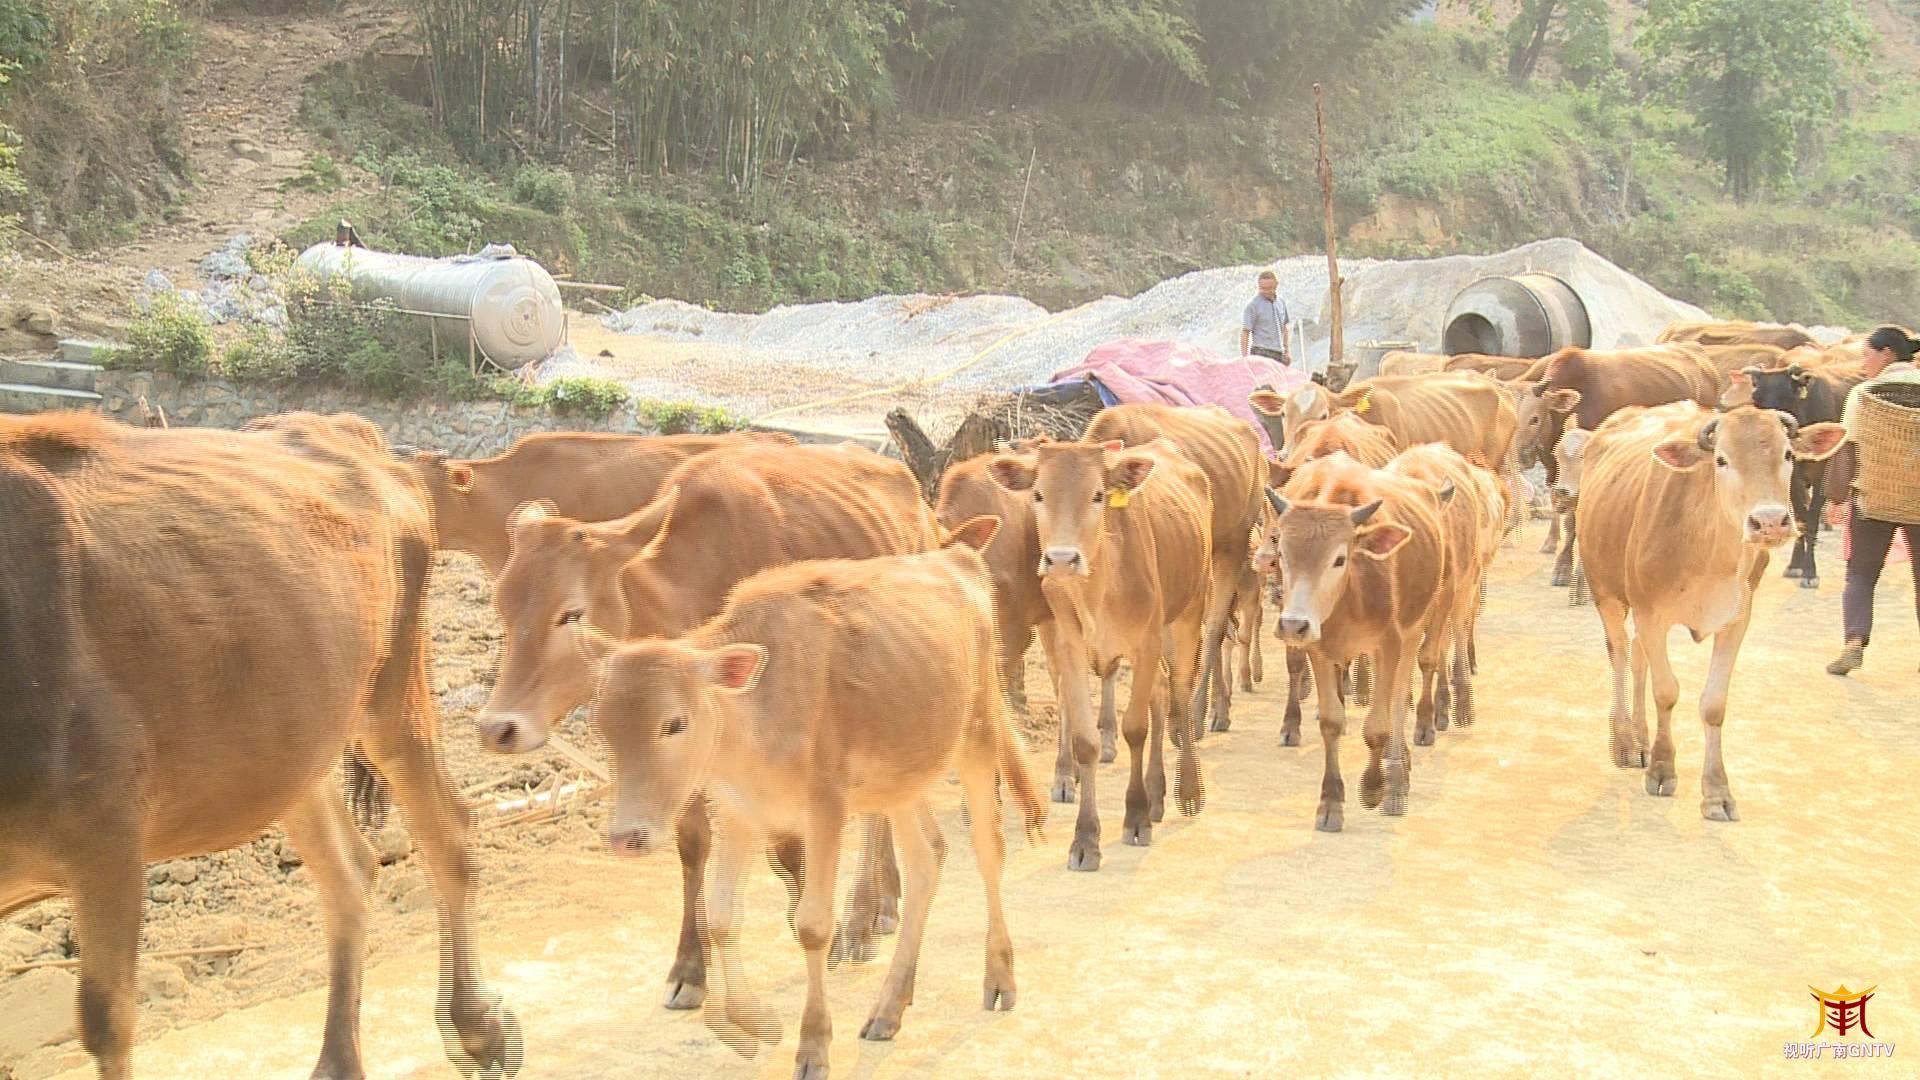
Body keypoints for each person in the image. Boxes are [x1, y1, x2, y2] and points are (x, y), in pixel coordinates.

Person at [1825, 324, 1920, 676]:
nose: (1863, 363)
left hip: (1874, 497)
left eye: (1867, 355)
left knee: (1861, 575)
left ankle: (1854, 641)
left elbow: (1847, 450)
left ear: (1887, 354)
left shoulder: (1863, 395)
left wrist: (1836, 498)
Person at [1241, 269, 1291, 366]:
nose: (1266, 291)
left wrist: (1287, 351)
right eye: (1263, 288)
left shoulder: (1281, 302)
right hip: (1260, 352)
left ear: (1276, 285)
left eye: (1270, 288)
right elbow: (1245, 331)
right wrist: (1244, 357)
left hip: (1278, 352)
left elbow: (1284, 328)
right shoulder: (1253, 306)